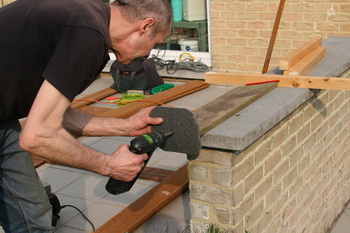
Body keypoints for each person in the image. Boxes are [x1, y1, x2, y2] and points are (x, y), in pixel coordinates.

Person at [0, 0, 173, 232]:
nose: (149, 54)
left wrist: (127, 126)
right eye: (155, 43)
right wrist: (109, 165)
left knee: (32, 218)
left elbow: (55, 115)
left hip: (3, 119)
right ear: (144, 26)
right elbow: (37, 135)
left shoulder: (85, 17)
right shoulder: (88, 34)